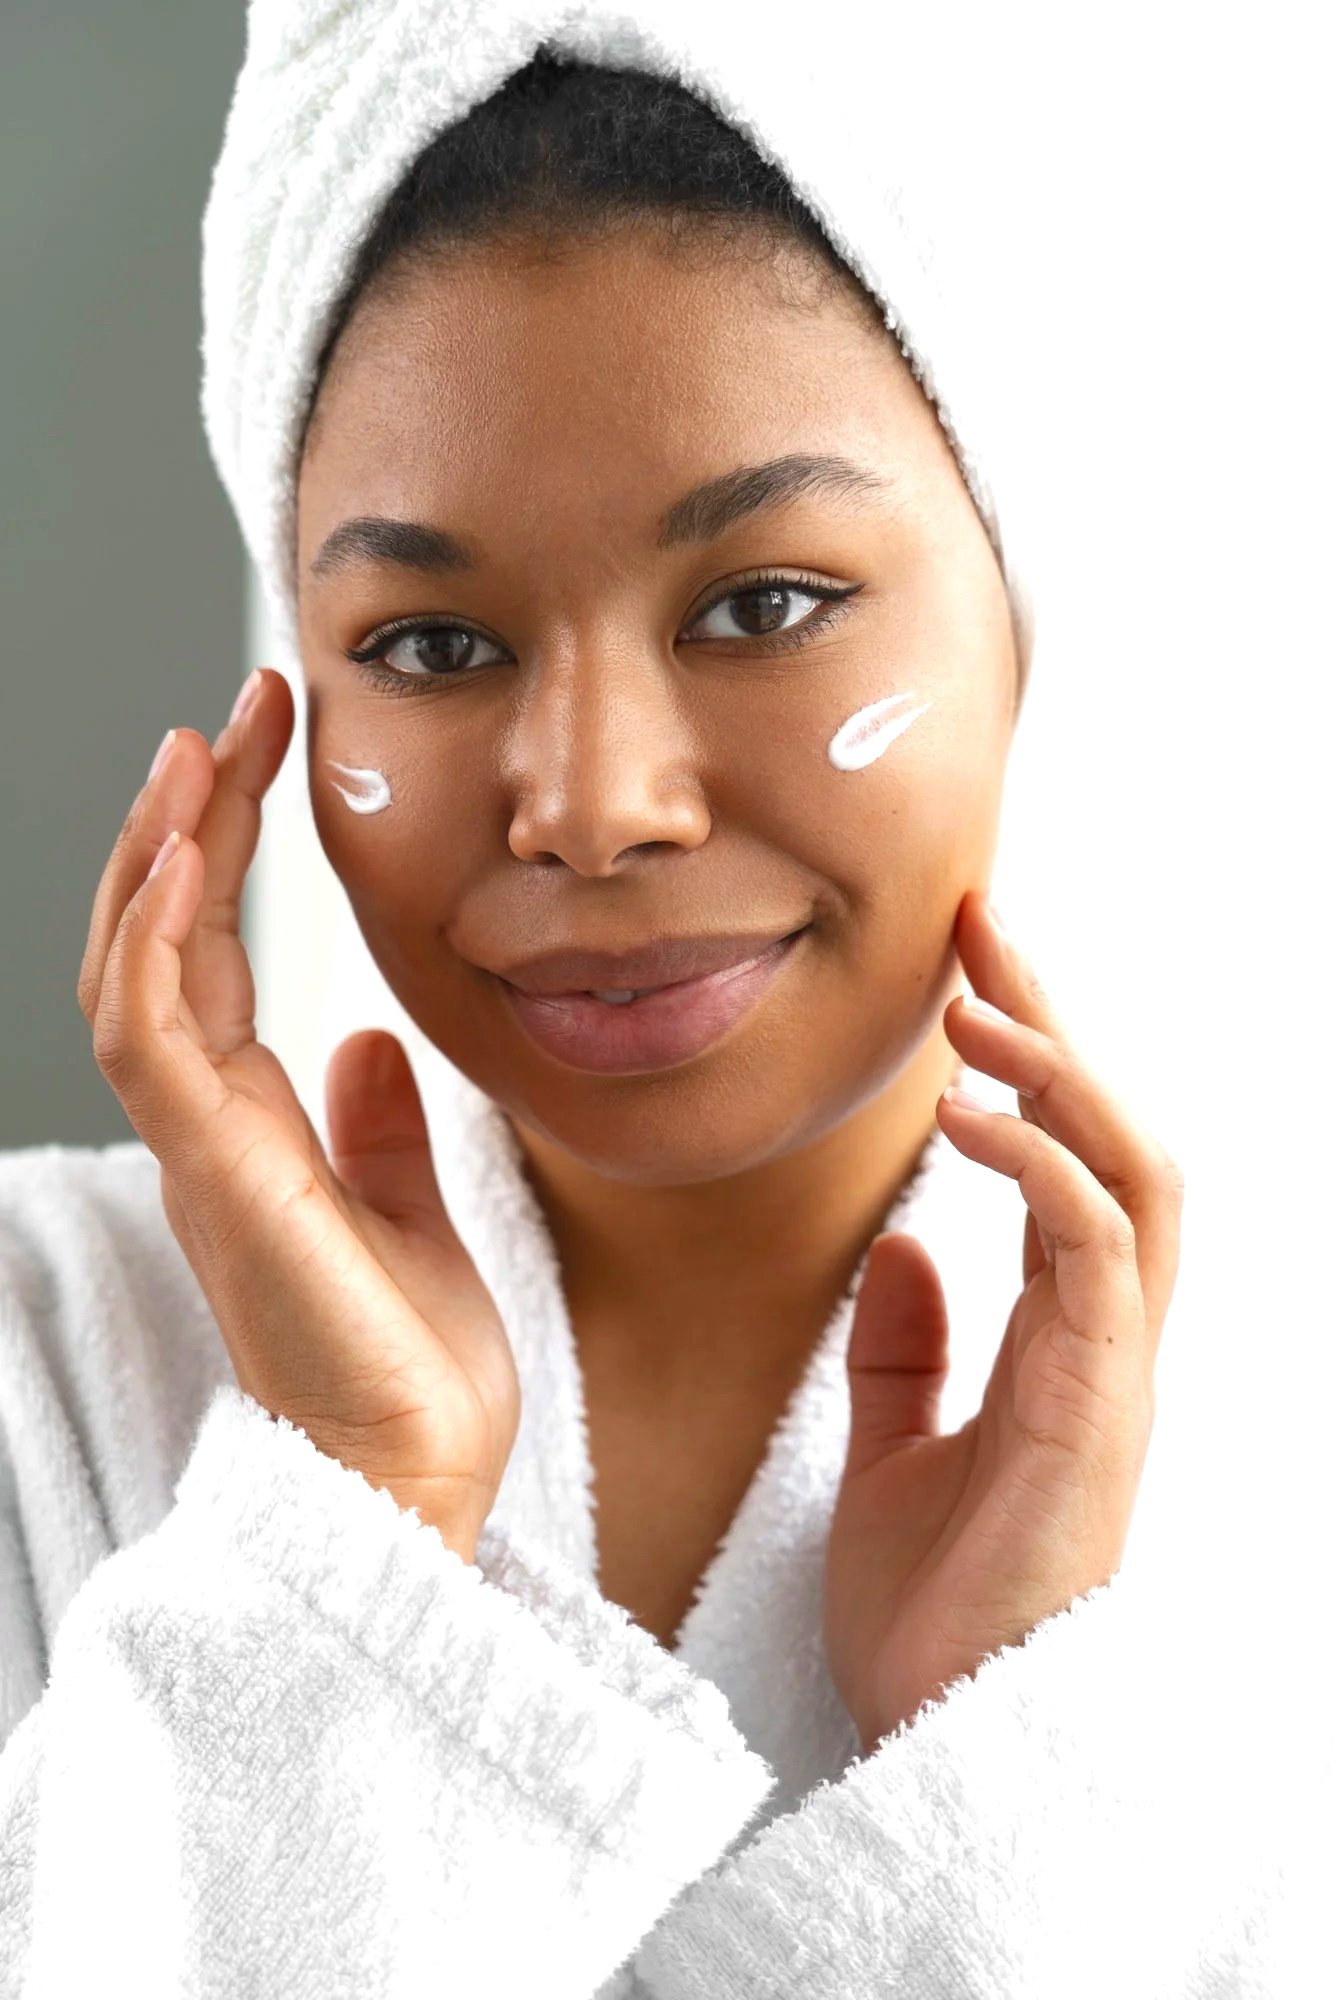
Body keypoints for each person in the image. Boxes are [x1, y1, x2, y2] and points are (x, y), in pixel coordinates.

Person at [0, 23, 1313, 1999]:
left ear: (1032, 607)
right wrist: (344, 1545)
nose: (591, 803)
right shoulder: (44, 1373)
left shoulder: (1278, 1462)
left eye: (763, 602)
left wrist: (1006, 1775)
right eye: (428, 644)